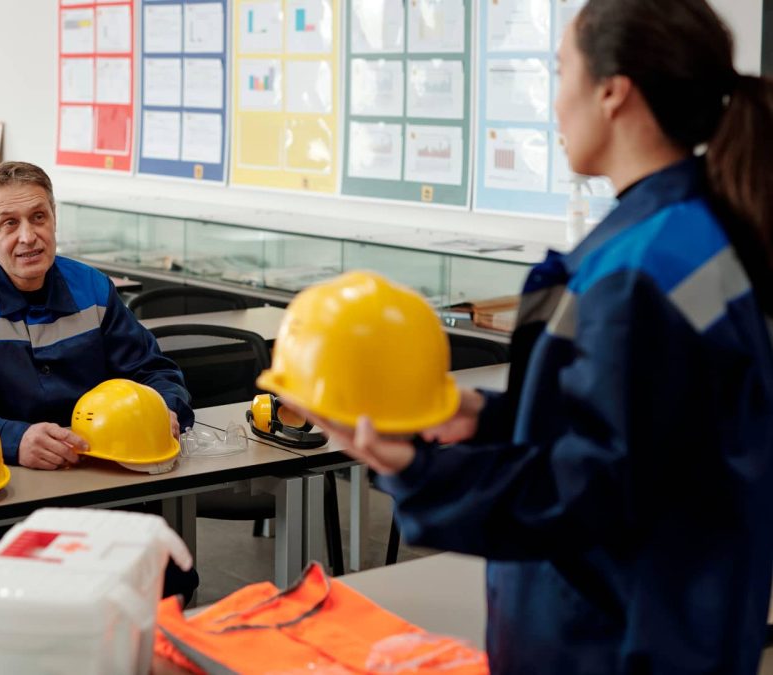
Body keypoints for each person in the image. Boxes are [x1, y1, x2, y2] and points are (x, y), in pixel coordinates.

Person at [294, 2, 773, 673]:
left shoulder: (639, 267)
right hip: (680, 618)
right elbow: (650, 435)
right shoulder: (692, 236)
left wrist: (415, 468)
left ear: (613, 92)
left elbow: (591, 488)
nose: (552, 104)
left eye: (559, 73)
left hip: (616, 641)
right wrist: (488, 418)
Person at [0, 161, 198, 597]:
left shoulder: (93, 289)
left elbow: (155, 370)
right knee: (20, 593)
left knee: (169, 575)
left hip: (94, 484)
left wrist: (164, 407)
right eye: (9, 223)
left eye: (38, 217)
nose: (28, 236)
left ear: (54, 219)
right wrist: (13, 439)